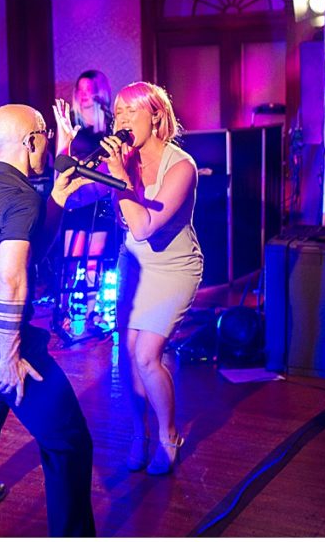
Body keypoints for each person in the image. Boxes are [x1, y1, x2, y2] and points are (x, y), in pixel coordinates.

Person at [0, 104, 96, 535]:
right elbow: (11, 279)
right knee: (69, 441)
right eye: (44, 134)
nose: (46, 142)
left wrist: (59, 197)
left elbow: (31, 249)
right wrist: (9, 355)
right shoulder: (20, 197)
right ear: (31, 142)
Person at [99, 81, 203, 475]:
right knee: (128, 357)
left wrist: (118, 177)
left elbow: (143, 227)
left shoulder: (182, 167)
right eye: (117, 114)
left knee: (147, 355)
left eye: (130, 112)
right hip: (136, 267)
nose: (121, 121)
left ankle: (168, 434)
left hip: (175, 269)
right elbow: (101, 207)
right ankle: (138, 435)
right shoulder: (124, 160)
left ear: (155, 115)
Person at [59, 70, 116, 331]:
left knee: (95, 259)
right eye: (79, 89)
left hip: (101, 199)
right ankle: (64, 311)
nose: (83, 95)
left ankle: (92, 313)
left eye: (88, 89)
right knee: (71, 258)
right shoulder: (72, 123)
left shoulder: (112, 125)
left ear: (99, 91)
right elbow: (60, 158)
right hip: (76, 198)